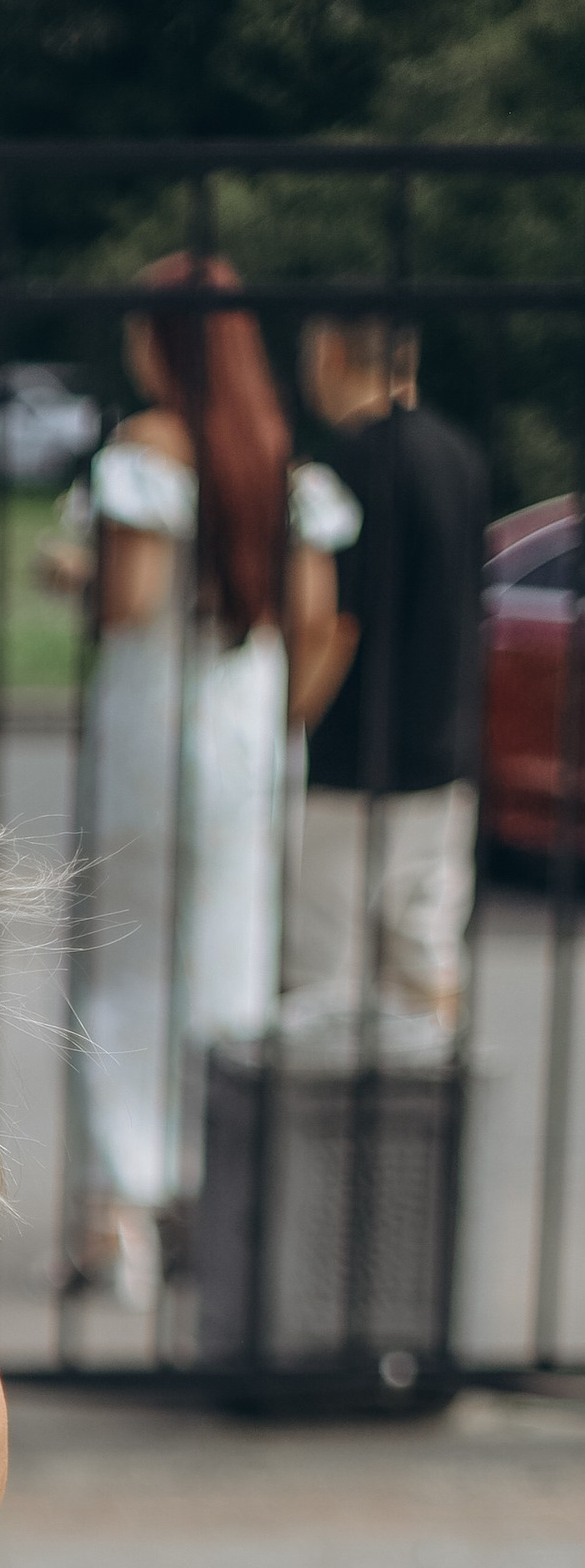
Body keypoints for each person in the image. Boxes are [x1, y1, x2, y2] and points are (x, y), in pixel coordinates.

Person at [50, 257, 359, 1305]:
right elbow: (313, 620)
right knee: (227, 967)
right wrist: (280, 719)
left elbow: (130, 598)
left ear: (165, 342)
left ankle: (121, 1215)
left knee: (125, 966)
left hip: (151, 727)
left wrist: (73, 572)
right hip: (244, 736)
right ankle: (211, 1200)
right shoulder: (277, 459)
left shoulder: (147, 449)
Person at [285, 317, 489, 1053]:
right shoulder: (461, 455)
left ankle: (316, 1145)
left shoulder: (353, 465)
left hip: (353, 757)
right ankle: (435, 1119)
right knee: (426, 955)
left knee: (319, 966)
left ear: (334, 353)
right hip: (446, 753)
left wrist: (291, 718)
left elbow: (339, 622)